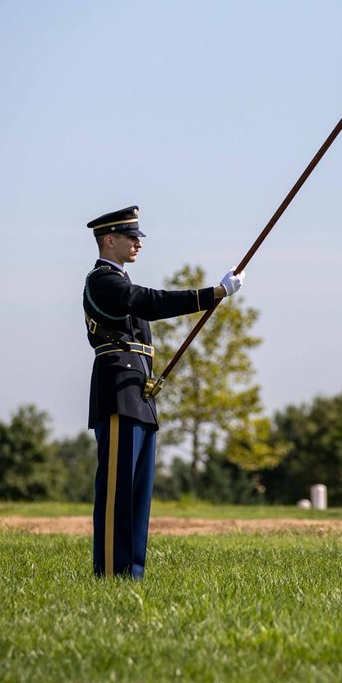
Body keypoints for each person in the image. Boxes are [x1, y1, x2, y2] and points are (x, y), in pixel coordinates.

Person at [83, 205, 243, 579]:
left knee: (138, 496)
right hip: (118, 392)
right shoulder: (103, 281)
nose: (138, 243)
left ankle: (130, 575)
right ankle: (109, 573)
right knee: (118, 494)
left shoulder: (119, 281)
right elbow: (150, 303)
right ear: (110, 240)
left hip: (138, 392)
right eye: (130, 236)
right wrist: (214, 293)